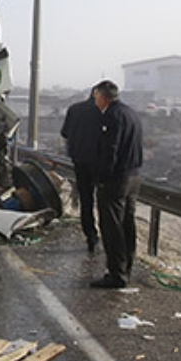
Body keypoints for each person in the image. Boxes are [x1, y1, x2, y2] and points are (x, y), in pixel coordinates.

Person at [89, 80, 143, 289]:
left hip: (116, 180)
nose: (95, 103)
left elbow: (110, 150)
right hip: (134, 177)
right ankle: (126, 268)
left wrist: (102, 177)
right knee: (127, 224)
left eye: (96, 98)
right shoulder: (131, 113)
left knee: (111, 227)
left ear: (102, 96)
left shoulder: (111, 117)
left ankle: (116, 274)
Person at [61, 87, 102, 252]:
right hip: (101, 162)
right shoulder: (103, 112)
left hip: (79, 160)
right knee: (105, 201)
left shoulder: (74, 109)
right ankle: (106, 236)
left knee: (86, 199)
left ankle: (91, 235)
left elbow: (65, 133)